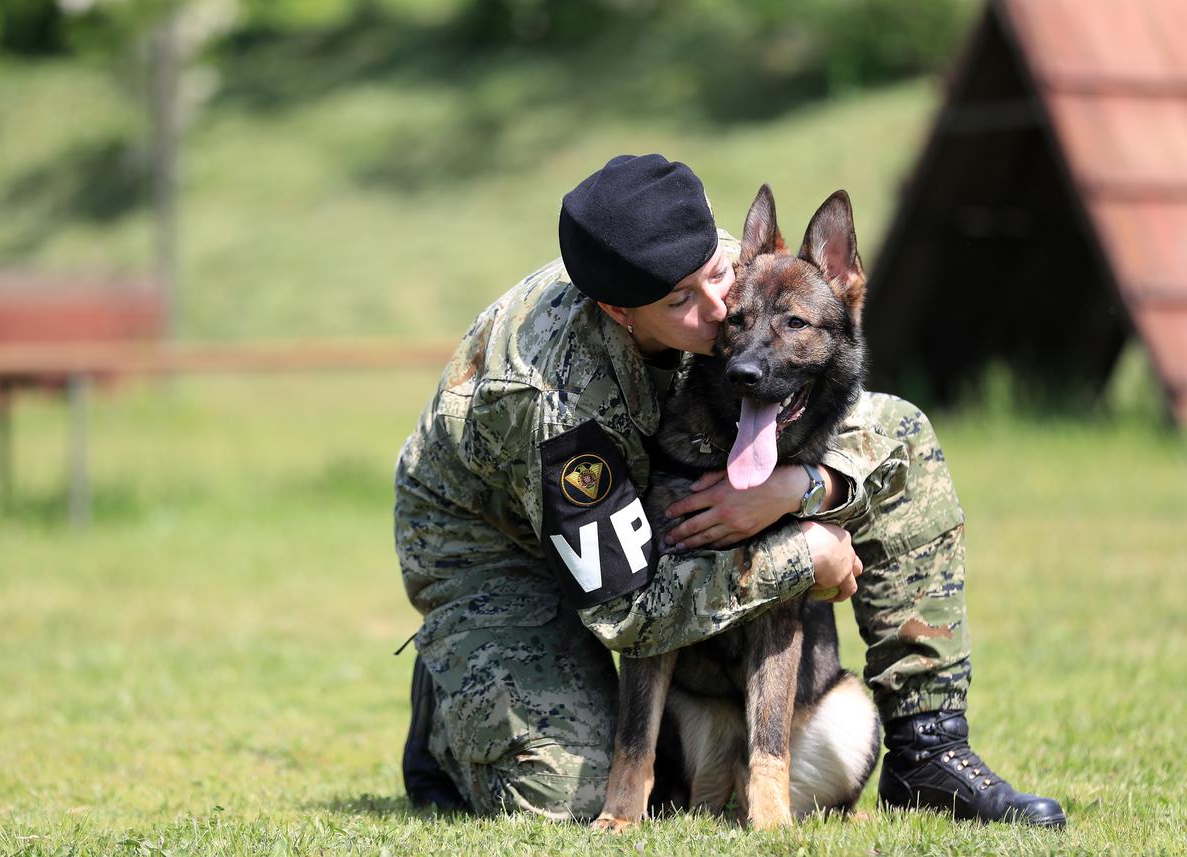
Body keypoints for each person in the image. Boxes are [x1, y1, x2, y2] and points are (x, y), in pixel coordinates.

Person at [394, 154, 1065, 828]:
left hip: (647, 495)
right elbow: (630, 610)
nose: (724, 311)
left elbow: (863, 413)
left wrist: (801, 486)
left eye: (718, 274)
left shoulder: (723, 274)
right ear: (620, 312)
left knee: (903, 436)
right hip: (503, 551)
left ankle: (930, 748)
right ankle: (460, 685)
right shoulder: (551, 401)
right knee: (569, 792)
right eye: (683, 301)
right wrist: (805, 555)